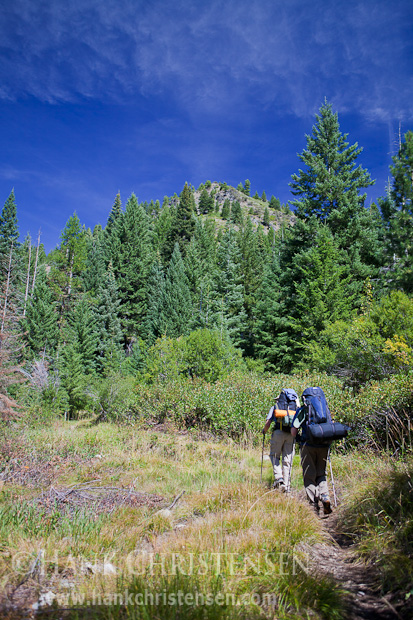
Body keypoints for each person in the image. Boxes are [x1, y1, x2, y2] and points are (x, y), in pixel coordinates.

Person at [291, 387, 332, 515]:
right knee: (321, 473)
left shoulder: (303, 410)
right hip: (324, 445)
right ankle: (325, 496)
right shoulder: (325, 410)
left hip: (307, 445)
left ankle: (313, 505)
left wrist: (298, 439)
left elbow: (293, 431)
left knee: (309, 475)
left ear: (305, 399)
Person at [262, 388, 300, 492]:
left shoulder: (275, 407)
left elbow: (268, 422)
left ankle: (279, 477)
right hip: (291, 435)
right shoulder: (295, 407)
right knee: (287, 460)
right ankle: (286, 486)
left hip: (278, 433)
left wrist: (264, 431)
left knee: (274, 456)